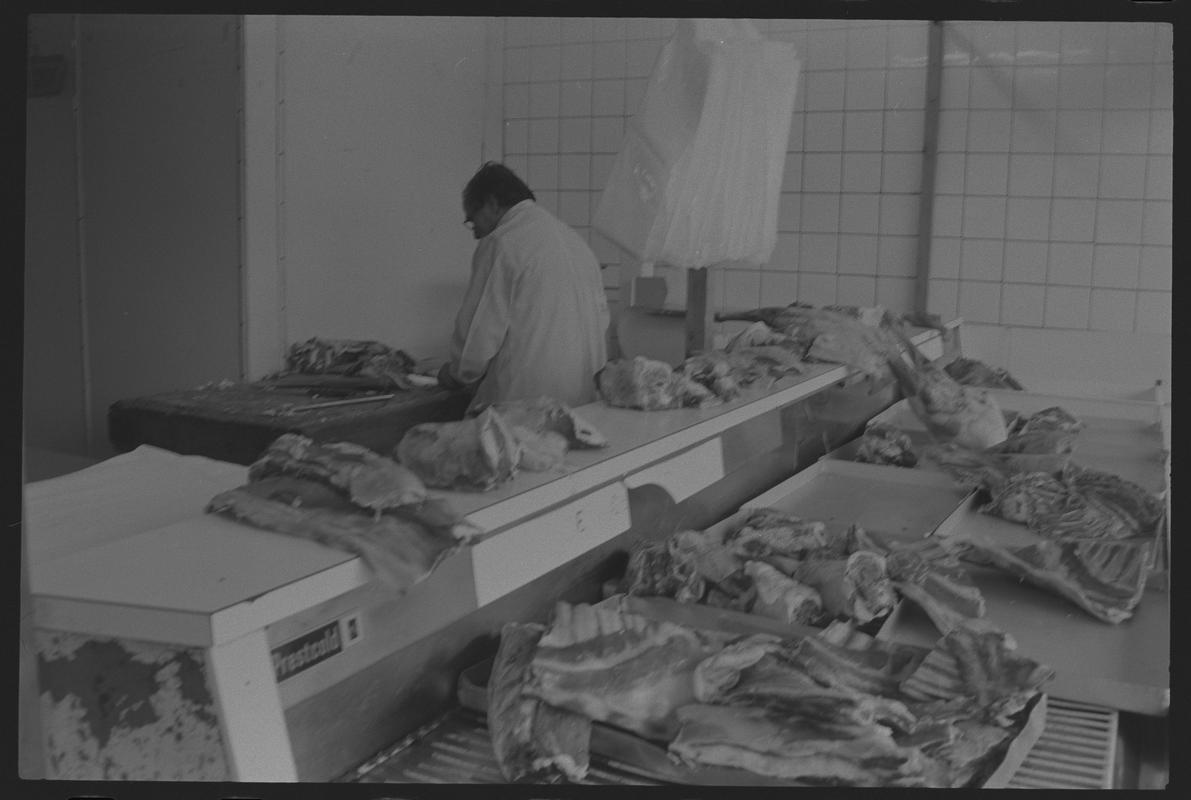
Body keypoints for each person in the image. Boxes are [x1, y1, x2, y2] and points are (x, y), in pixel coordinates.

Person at [438, 162, 610, 411]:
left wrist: (456, 373)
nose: (475, 233)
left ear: (492, 203)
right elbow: (601, 323)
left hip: (525, 407)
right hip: (585, 403)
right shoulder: (575, 243)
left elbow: (478, 334)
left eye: (472, 220)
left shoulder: (502, 242)